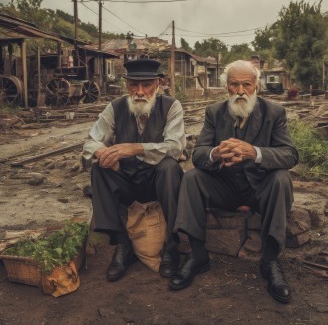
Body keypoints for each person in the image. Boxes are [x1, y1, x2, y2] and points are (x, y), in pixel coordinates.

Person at [171, 60, 299, 303]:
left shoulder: (274, 112)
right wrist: (216, 154)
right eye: (234, 84)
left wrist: (255, 152)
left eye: (246, 84)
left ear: (256, 87)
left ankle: (270, 261)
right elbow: (198, 155)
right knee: (191, 178)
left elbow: (290, 155)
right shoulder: (214, 112)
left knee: (282, 178)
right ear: (226, 88)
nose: (240, 90)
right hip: (226, 188)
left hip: (259, 189)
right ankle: (198, 256)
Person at [82, 59, 186, 282]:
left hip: (156, 182)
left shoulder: (171, 106)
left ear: (158, 84)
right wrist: (102, 153)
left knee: (170, 167)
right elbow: (91, 141)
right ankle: (122, 245)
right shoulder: (116, 107)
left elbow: (175, 147)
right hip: (128, 180)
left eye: (147, 85)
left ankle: (171, 247)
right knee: (100, 168)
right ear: (126, 84)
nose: (140, 92)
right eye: (133, 85)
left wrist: (135, 148)